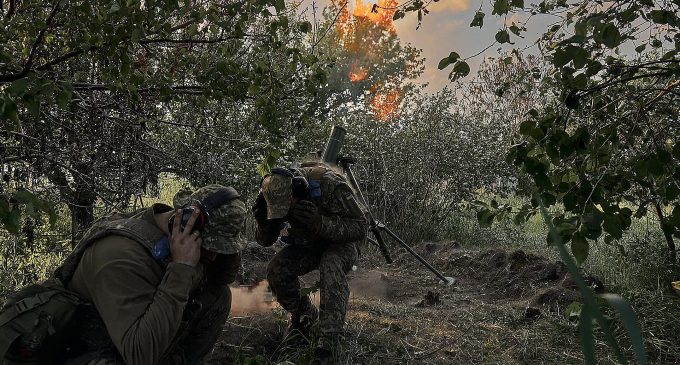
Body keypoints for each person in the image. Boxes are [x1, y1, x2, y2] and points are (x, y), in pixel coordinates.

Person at [59, 184, 247, 364]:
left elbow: (223, 278)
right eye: (209, 247)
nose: (213, 256)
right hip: (90, 349)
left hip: (132, 334)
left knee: (217, 295)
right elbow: (140, 356)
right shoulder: (119, 257)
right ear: (182, 221)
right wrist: (181, 268)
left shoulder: (168, 227)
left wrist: (226, 250)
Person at [252, 161, 368, 364]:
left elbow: (360, 228)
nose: (285, 214)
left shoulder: (330, 185)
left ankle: (329, 342)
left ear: (298, 190)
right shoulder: (273, 196)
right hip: (310, 242)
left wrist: (320, 223)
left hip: (342, 243)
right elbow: (265, 241)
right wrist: (263, 221)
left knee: (330, 263)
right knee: (277, 270)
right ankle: (304, 318)